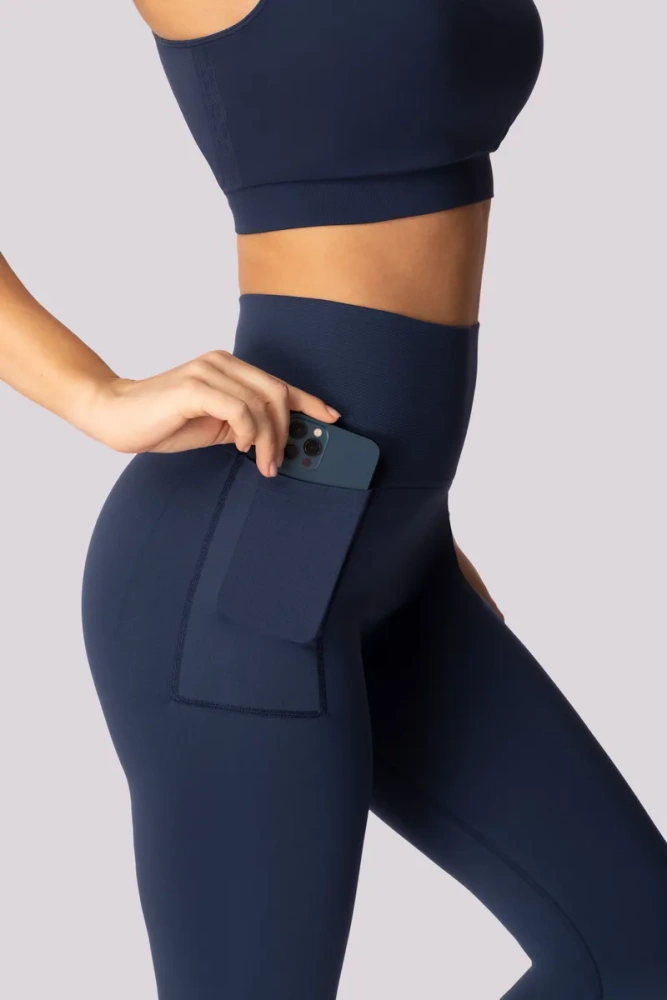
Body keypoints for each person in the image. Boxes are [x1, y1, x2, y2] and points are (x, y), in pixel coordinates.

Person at [1, 2, 666, 997]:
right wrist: (95, 395)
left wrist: (409, 523)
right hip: (248, 573)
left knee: (640, 953)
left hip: (389, 553)